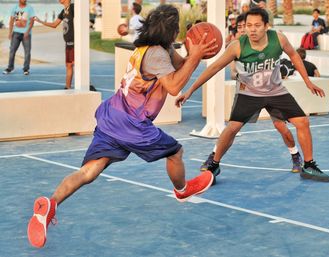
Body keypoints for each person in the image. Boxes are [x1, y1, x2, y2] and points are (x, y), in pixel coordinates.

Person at [27, 4, 217, 248]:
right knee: (175, 152)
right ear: (170, 31)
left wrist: (193, 52)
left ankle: (49, 205)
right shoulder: (156, 54)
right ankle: (182, 189)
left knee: (89, 171)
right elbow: (173, 86)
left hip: (112, 114)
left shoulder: (156, 47)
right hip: (132, 122)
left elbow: (180, 66)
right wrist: (197, 56)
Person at [176, 8, 329, 185]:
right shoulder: (237, 46)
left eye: (257, 25)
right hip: (249, 94)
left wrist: (307, 82)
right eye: (249, 25)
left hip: (276, 91)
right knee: (232, 128)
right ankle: (214, 164)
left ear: (266, 26)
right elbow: (214, 68)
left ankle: (308, 164)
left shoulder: (278, 39)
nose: (252, 29)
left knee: (302, 122)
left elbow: (295, 56)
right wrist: (190, 90)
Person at [34, 0, 74, 89]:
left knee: (74, 64)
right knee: (68, 65)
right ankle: (67, 87)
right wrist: (40, 21)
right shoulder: (63, 11)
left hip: (74, 43)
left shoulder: (73, 8)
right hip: (68, 43)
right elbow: (54, 24)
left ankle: (87, 84)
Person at [3, 0, 35, 75]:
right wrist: (10, 32)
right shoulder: (15, 8)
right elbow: (11, 21)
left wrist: (27, 31)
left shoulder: (30, 8)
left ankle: (26, 69)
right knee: (12, 51)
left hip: (26, 34)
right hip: (16, 33)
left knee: (27, 52)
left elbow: (32, 21)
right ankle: (10, 68)